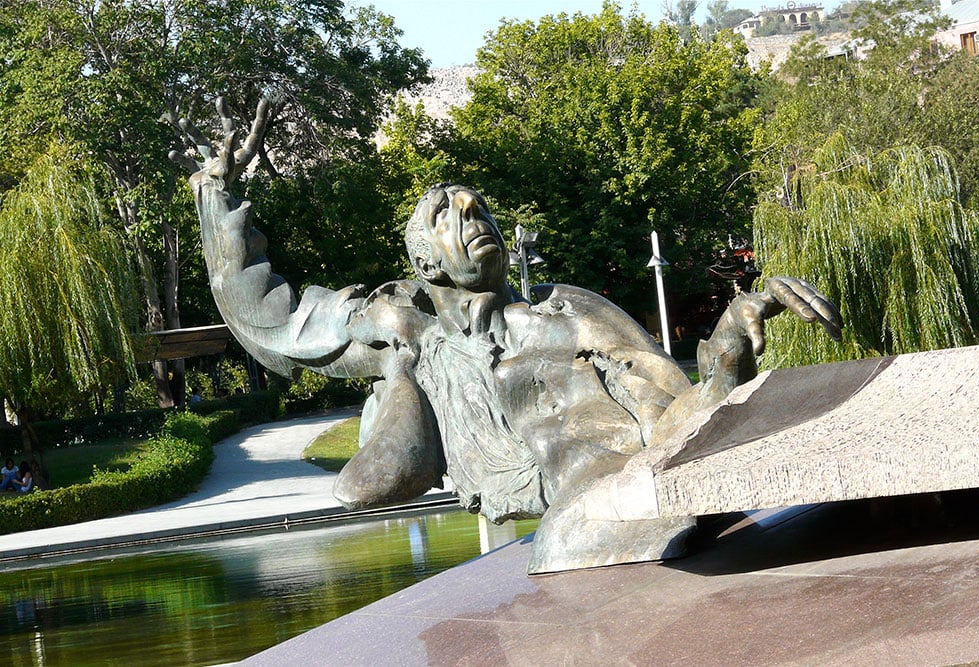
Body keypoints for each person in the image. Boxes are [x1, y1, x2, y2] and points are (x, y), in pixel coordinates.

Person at [171, 98, 842, 561]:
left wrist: (726, 348)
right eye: (450, 213)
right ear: (427, 259)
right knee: (573, 513)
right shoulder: (401, 329)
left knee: (588, 488)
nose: (474, 215)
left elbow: (676, 419)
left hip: (630, 498)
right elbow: (274, 322)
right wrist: (215, 201)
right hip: (585, 526)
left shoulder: (568, 313)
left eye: (480, 208)